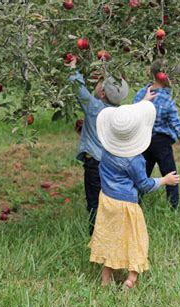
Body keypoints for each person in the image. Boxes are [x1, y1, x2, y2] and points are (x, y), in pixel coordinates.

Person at [89, 90, 180, 289]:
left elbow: (125, 117)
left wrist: (144, 101)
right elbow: (144, 185)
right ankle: (131, 279)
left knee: (112, 237)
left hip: (107, 200)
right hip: (126, 205)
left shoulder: (107, 149)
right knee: (136, 239)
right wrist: (164, 180)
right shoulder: (135, 160)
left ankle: (105, 280)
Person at [68, 65, 129, 235]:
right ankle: (113, 232)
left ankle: (97, 238)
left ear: (102, 93)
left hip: (95, 164)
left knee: (95, 202)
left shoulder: (94, 108)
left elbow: (79, 90)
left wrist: (74, 68)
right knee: (110, 199)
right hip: (114, 164)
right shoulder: (120, 114)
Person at [133, 60, 180, 209]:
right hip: (161, 143)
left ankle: (134, 204)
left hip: (143, 140)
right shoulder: (166, 99)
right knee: (171, 174)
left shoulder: (141, 93)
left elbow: (133, 115)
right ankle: (173, 207)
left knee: (142, 174)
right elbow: (177, 125)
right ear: (164, 77)